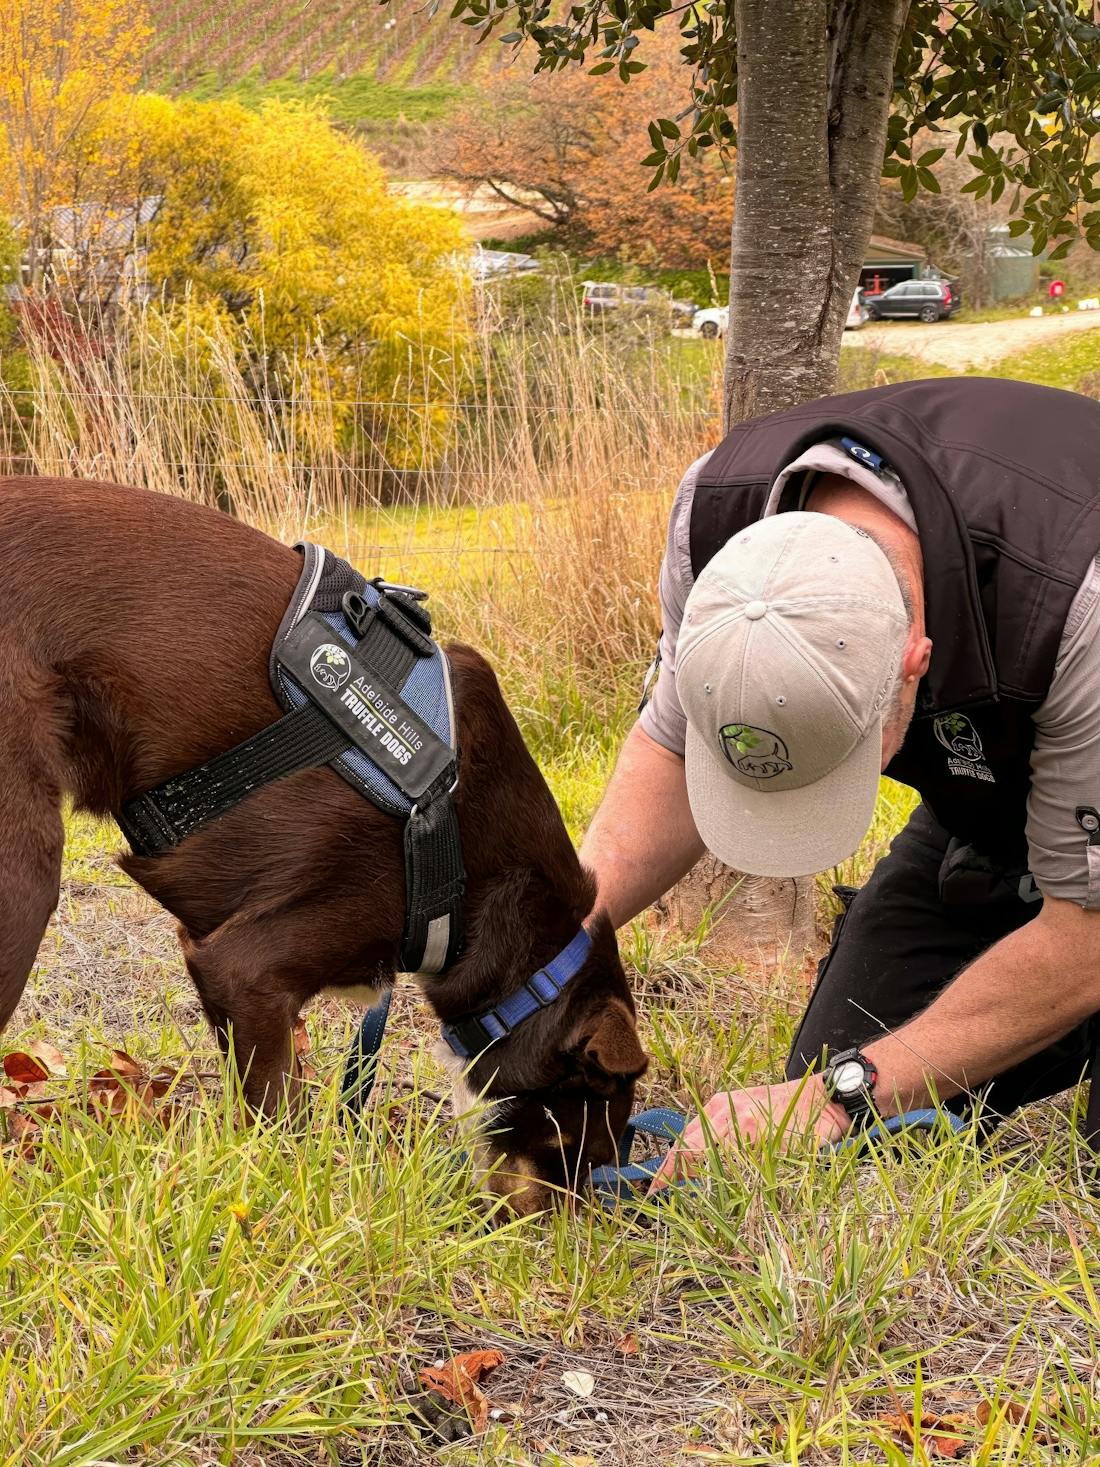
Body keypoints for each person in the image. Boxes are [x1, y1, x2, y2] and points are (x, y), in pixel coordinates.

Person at [578, 376, 1100, 1184]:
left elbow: (1091, 938)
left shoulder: (1076, 590)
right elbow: (674, 749)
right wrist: (553, 941)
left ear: (914, 661)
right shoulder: (718, 526)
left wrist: (837, 1097)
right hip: (999, 809)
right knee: (833, 1133)